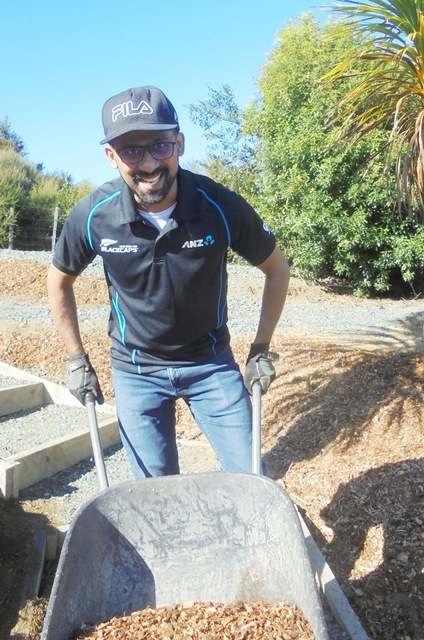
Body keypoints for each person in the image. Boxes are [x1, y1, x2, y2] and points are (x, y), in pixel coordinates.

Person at [47, 85, 290, 479]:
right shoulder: (94, 216)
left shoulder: (219, 206)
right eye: (131, 151)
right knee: (154, 491)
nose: (148, 164)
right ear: (111, 157)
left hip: (211, 366)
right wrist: (77, 359)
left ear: (179, 144)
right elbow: (59, 281)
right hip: (136, 371)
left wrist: (261, 348)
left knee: (253, 480)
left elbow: (277, 270)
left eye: (160, 146)